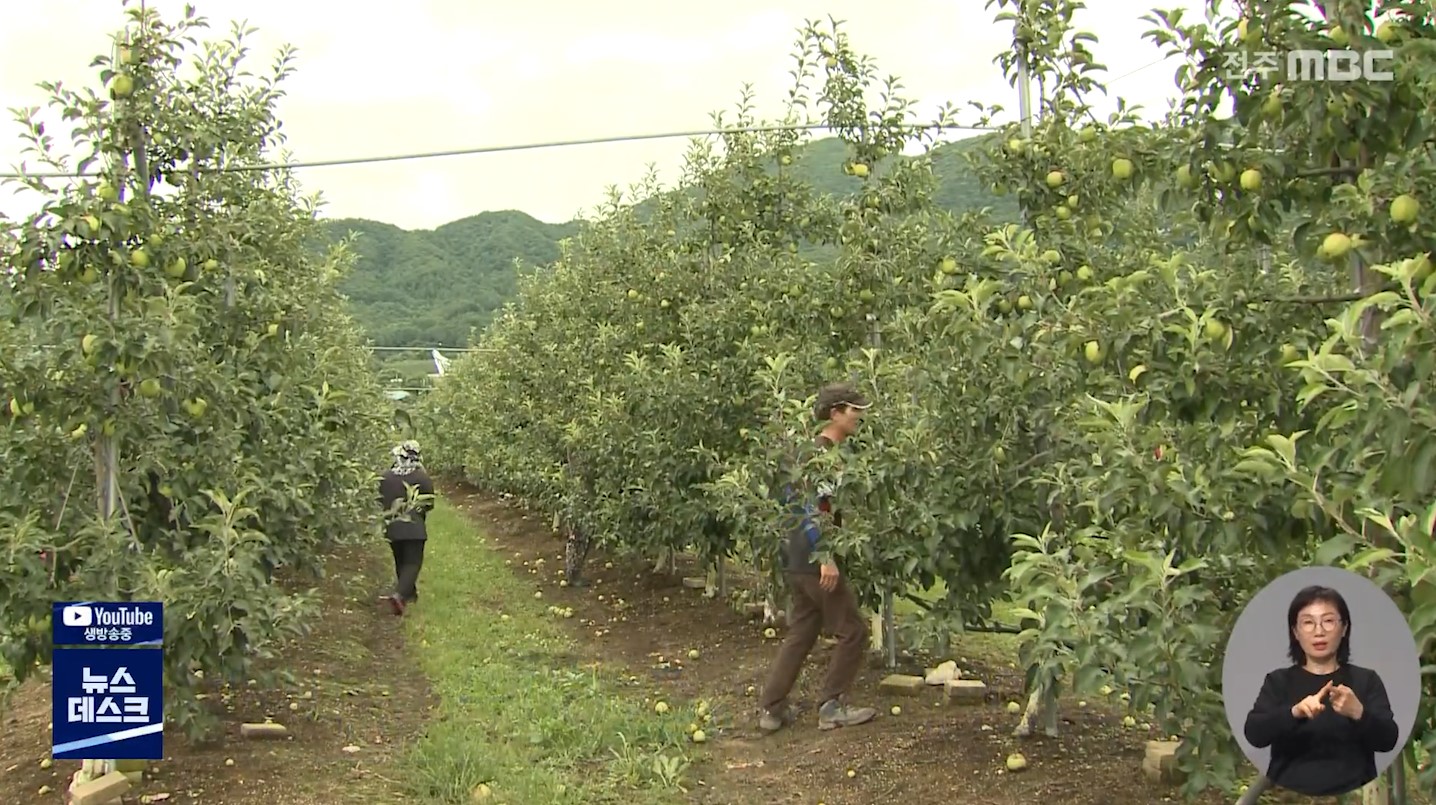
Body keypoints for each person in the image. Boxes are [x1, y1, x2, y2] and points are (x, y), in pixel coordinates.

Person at [758, 382, 877, 733]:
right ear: (836, 413)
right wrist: (825, 554)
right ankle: (832, 706)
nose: (860, 418)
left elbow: (787, 501)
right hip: (815, 559)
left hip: (797, 558)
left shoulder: (810, 454)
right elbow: (812, 508)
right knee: (853, 630)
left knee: (802, 633)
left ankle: (771, 708)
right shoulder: (821, 456)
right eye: (855, 411)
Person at [1242, 584, 1400, 796]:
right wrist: (1294, 712)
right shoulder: (1278, 681)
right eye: (1308, 622)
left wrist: (1358, 713)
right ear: (1295, 632)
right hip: (1290, 795)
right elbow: (1254, 733)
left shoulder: (1366, 680)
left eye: (1328, 621)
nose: (1319, 631)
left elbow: (1388, 740)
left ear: (1344, 628)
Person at [378, 440, 435, 616]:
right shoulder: (421, 477)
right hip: (414, 527)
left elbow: (379, 500)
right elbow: (429, 503)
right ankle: (400, 595)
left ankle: (409, 594)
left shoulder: (386, 476)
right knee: (412, 563)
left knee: (400, 560)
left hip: (392, 526)